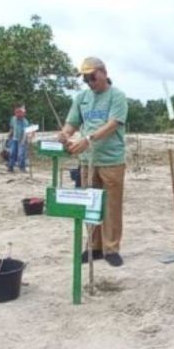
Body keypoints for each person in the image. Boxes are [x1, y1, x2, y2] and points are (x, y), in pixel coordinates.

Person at [58, 57, 129, 267]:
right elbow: (72, 123)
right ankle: (94, 246)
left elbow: (113, 124)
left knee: (111, 206)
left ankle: (111, 248)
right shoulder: (81, 98)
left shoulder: (117, 96)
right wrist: (64, 135)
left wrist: (88, 139)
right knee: (90, 204)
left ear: (104, 72)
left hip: (111, 160)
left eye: (93, 77)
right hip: (87, 162)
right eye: (86, 79)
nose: (90, 82)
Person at [7, 106, 29, 172]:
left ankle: (22, 168)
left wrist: (23, 141)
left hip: (22, 139)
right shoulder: (13, 119)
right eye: (17, 113)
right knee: (12, 153)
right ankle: (10, 167)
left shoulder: (25, 122)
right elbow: (12, 128)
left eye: (20, 113)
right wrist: (9, 135)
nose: (18, 114)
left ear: (23, 114)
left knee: (21, 154)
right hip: (14, 139)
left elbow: (25, 133)